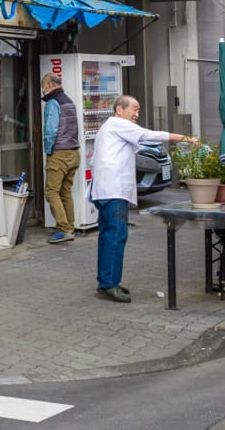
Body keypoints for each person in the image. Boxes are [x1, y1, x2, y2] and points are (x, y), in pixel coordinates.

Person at [90, 94, 198, 303]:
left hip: (105, 189)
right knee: (115, 235)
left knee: (108, 235)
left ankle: (107, 281)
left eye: (138, 110)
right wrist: (184, 139)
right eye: (134, 109)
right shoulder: (119, 124)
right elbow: (150, 135)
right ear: (119, 110)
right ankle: (109, 284)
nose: (136, 114)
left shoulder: (110, 127)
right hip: (113, 190)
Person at [40, 73, 80, 244]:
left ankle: (63, 230)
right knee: (65, 192)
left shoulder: (52, 103)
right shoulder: (69, 101)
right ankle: (70, 227)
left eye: (43, 85)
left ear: (49, 84)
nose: (43, 89)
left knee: (51, 192)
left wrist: (48, 151)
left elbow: (50, 130)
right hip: (74, 152)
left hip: (59, 154)